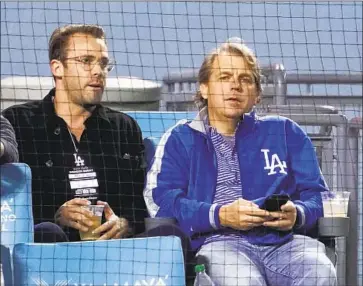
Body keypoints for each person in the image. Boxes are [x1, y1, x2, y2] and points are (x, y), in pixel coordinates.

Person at [144, 38, 337, 285]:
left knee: (320, 272)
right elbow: (162, 201)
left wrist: (298, 214)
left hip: (285, 243)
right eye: (224, 77)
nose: (235, 86)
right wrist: (220, 215)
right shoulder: (180, 138)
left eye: (245, 79)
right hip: (219, 244)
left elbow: (320, 196)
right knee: (241, 281)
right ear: (203, 88)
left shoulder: (286, 132)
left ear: (256, 94)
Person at [2, 24, 147, 242]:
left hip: (115, 251)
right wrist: (54, 216)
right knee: (48, 232)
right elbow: (9, 203)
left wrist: (125, 223)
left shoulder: (124, 128)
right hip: (46, 250)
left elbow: (141, 203)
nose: (98, 71)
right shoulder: (18, 123)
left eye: (104, 63)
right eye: (86, 61)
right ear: (57, 68)